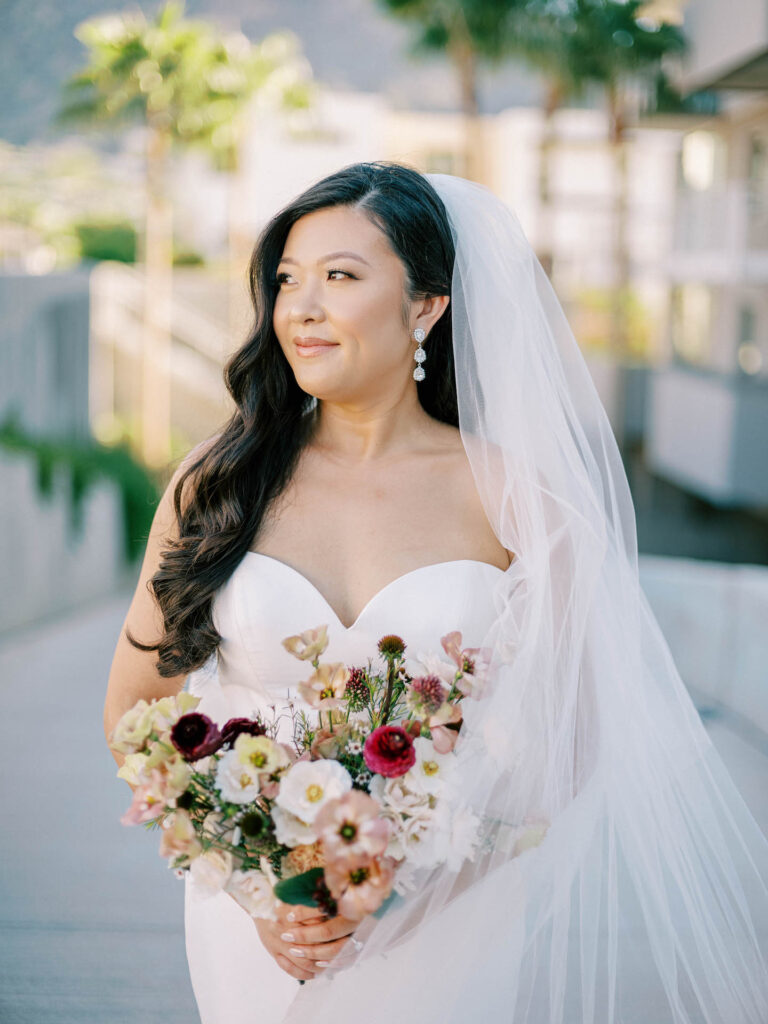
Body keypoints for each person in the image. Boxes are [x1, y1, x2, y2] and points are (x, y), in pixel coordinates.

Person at [104, 161, 768, 1024]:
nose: (301, 306)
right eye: (286, 280)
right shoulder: (218, 483)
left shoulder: (520, 500)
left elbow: (572, 737)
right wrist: (252, 888)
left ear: (427, 306)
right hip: (260, 930)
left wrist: (407, 894)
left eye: (340, 276)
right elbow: (136, 709)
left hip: (447, 921)